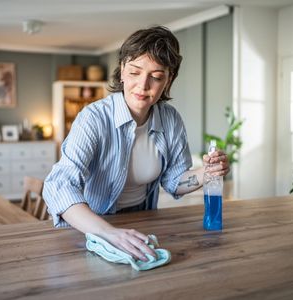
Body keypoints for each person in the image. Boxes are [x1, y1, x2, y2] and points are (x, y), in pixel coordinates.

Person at [43, 26, 229, 262]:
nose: (143, 85)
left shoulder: (170, 120)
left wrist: (208, 172)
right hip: (92, 227)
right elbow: (59, 186)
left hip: (142, 223)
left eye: (157, 76)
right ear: (121, 71)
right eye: (134, 72)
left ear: (168, 80)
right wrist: (107, 233)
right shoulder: (94, 118)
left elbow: (174, 181)